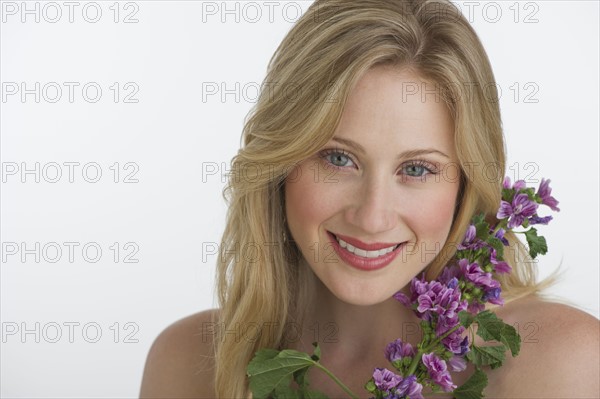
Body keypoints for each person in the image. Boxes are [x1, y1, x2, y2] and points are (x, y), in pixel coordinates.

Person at [139, 0, 599, 397]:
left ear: (466, 184)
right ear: (279, 164)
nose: (372, 216)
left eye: (417, 169)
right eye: (338, 159)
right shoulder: (188, 362)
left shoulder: (557, 361)